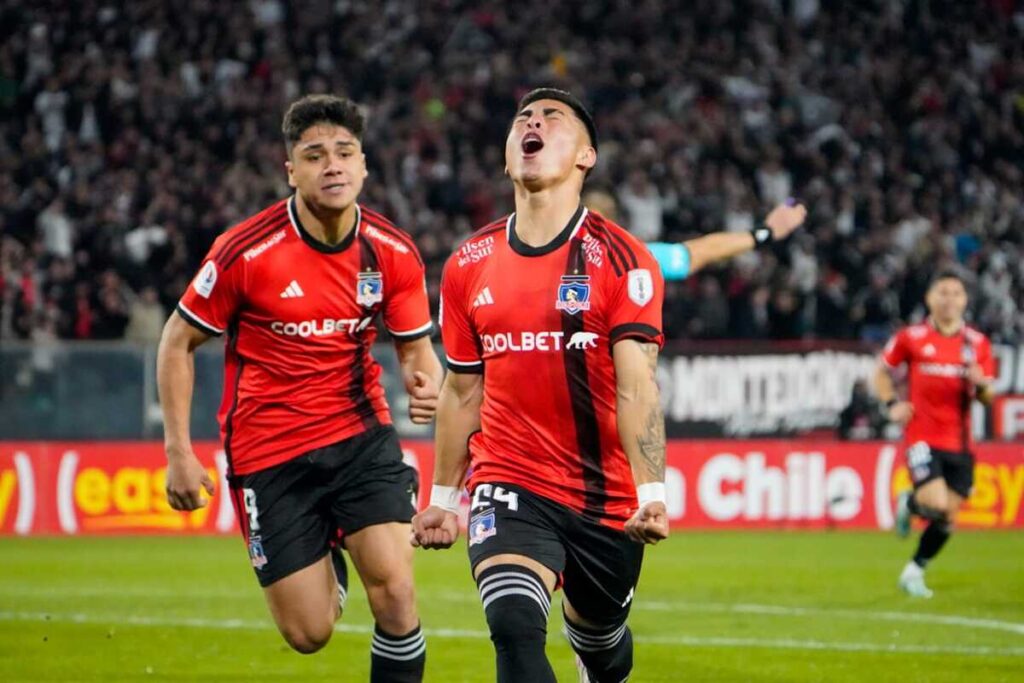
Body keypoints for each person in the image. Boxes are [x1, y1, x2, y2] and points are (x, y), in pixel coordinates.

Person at [157, 94, 441, 681]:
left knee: (395, 592)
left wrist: (426, 383)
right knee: (308, 634)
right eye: (314, 156)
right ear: (291, 170)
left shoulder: (392, 252)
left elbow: (416, 348)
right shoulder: (246, 251)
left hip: (360, 435)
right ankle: (326, 566)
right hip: (270, 451)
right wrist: (179, 453)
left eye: (344, 153)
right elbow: (176, 343)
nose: (332, 166)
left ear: (364, 165)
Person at [411, 87, 668, 683]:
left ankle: (598, 654)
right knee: (514, 630)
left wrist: (652, 490)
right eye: (524, 119)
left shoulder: (622, 259)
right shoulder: (467, 262)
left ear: (586, 156)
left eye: (553, 119)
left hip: (605, 496)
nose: (534, 123)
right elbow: (460, 391)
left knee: (603, 644)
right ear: (508, 157)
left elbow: (637, 388)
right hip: (509, 479)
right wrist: (444, 500)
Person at [874, 270, 995, 598]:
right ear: (929, 299)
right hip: (922, 438)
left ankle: (913, 572)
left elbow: (987, 398)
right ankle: (913, 501)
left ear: (965, 301)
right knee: (938, 503)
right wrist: (891, 404)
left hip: (961, 442)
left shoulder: (977, 344)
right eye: (942, 292)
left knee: (948, 518)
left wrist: (981, 383)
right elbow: (882, 372)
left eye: (956, 293)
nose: (949, 300)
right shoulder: (911, 337)